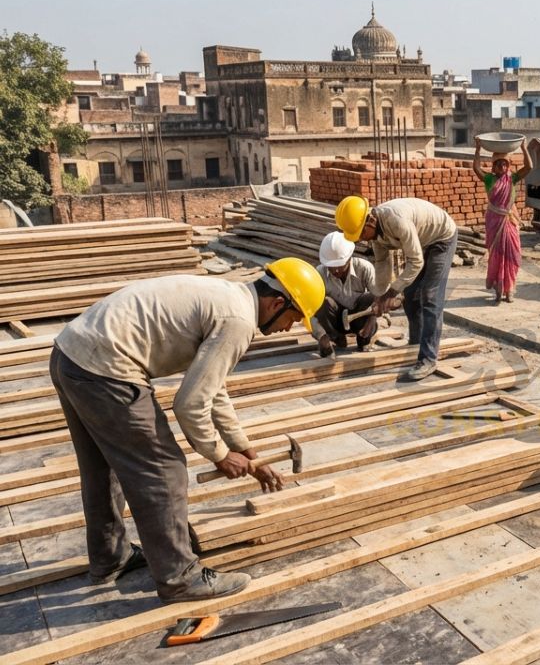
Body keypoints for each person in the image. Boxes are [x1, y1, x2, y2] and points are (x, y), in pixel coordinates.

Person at [49, 258, 323, 603]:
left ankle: (110, 556)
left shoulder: (230, 298)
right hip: (107, 370)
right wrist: (221, 456)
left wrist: (249, 454)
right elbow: (190, 405)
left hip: (70, 355)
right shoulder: (238, 322)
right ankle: (180, 577)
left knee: (101, 467)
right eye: (294, 318)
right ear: (277, 303)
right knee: (165, 470)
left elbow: (213, 389)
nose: (290, 328)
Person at [335, 194, 458, 381]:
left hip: (442, 238)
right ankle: (416, 344)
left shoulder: (396, 221)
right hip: (422, 239)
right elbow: (383, 263)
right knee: (411, 294)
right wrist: (379, 296)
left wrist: (393, 292)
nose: (360, 239)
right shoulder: (375, 234)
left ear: (369, 222)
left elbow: (416, 261)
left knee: (430, 296)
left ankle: (428, 359)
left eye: (360, 234)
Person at [472, 137, 532, 305]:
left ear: (508, 166)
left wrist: (523, 147)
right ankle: (498, 290)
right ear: (493, 167)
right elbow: (476, 167)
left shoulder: (512, 178)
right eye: (499, 164)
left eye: (505, 164)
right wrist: (477, 149)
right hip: (494, 221)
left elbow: (530, 167)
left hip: (509, 220)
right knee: (497, 256)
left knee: (512, 255)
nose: (502, 167)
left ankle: (510, 289)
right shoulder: (489, 179)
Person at [313, 230, 378, 357]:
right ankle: (337, 338)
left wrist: (372, 320)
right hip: (335, 322)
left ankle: (364, 339)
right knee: (323, 302)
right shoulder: (319, 273)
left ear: (349, 258)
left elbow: (379, 300)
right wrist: (321, 336)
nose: (336, 270)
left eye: (339, 265)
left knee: (370, 298)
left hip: (359, 318)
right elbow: (311, 311)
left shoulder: (364, 268)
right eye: (331, 266)